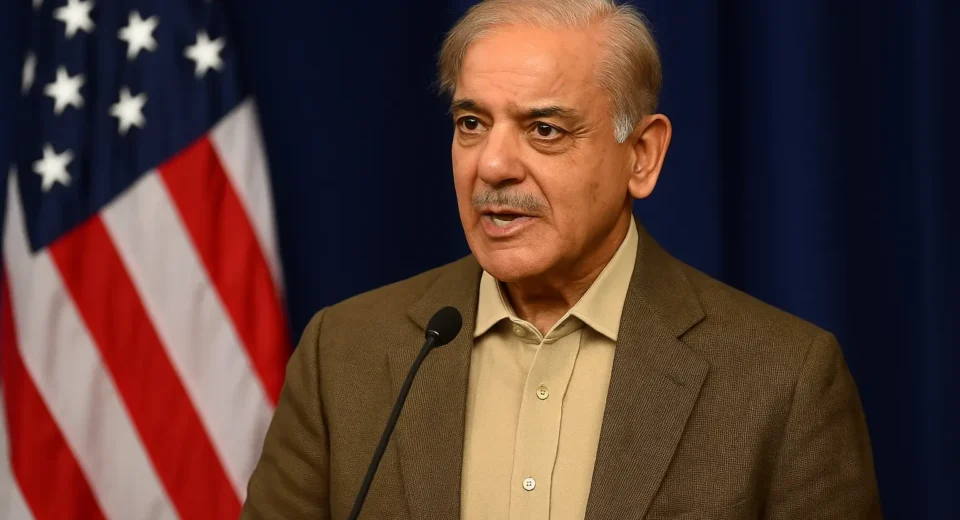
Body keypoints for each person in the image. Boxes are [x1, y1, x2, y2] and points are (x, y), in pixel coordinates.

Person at [240, 0, 882, 518]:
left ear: (643, 155)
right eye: (471, 123)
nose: (492, 164)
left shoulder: (784, 379)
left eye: (544, 129)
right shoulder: (344, 353)